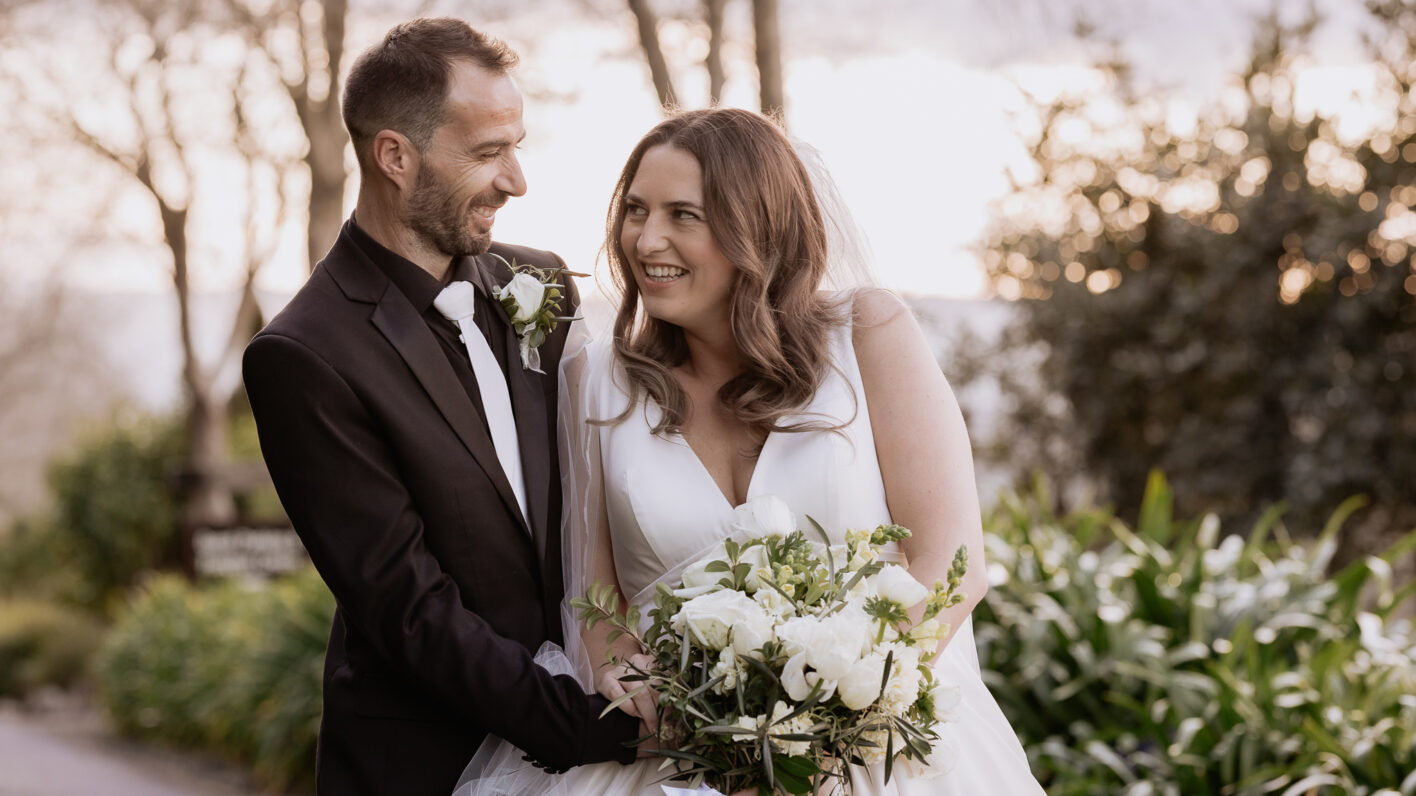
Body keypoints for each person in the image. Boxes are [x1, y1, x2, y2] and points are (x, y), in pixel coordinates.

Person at [458, 108, 1046, 794]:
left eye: (684, 215)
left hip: (876, 750)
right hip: (677, 755)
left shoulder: (867, 335)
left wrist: (829, 722)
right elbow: (594, 591)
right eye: (637, 211)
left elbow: (951, 561)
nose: (648, 239)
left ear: (757, 226)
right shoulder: (598, 380)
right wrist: (645, 686)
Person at [241, 18, 642, 796]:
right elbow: (404, 605)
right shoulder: (303, 355)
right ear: (395, 156)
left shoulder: (545, 286)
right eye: (488, 153)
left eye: (516, 146)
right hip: (426, 763)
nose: (517, 179)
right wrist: (589, 726)